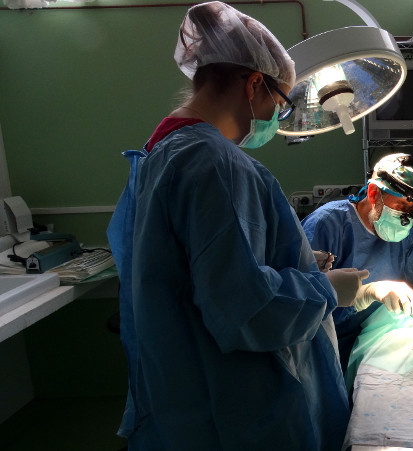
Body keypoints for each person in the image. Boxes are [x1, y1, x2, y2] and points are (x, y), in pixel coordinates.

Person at [106, 2, 366, 449]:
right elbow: (245, 309)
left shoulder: (162, 152)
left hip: (184, 396)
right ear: (253, 85)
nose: (275, 119)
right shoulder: (214, 163)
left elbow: (199, 272)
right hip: (234, 411)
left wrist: (301, 263)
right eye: (280, 104)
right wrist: (328, 291)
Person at [301, 152, 413, 371]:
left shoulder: (404, 236)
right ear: (373, 193)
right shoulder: (327, 226)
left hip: (374, 342)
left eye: (412, 212)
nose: (405, 220)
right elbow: (302, 303)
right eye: (401, 207)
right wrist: (365, 294)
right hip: (326, 351)